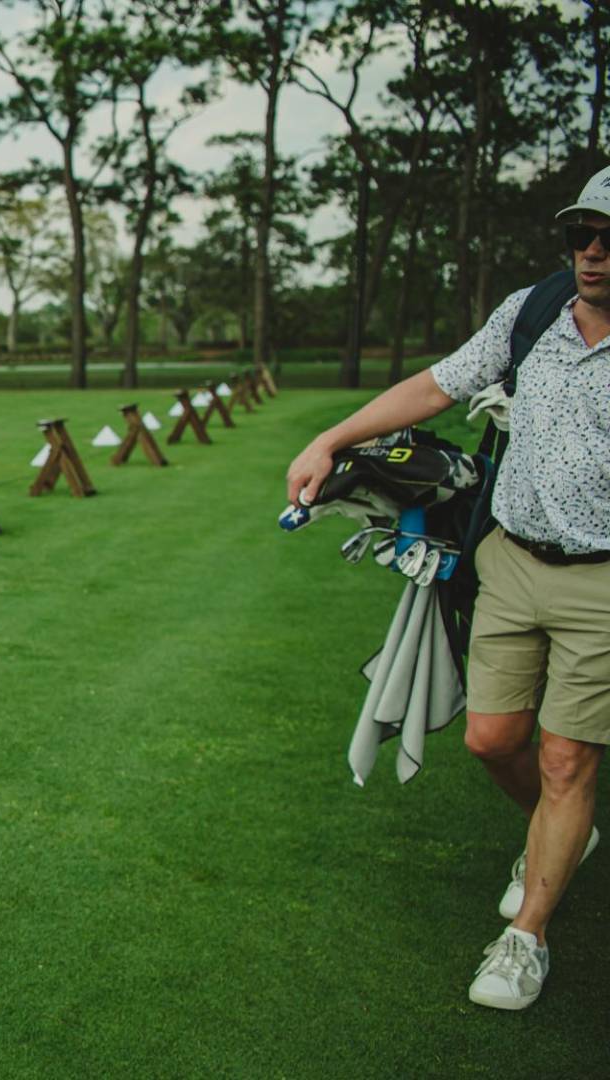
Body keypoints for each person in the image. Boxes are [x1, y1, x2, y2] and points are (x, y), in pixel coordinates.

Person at [285, 166, 610, 1011]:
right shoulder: (533, 311)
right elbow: (438, 385)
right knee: (492, 741)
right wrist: (330, 440)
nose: (593, 252)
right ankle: (562, 836)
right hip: (510, 562)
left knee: (567, 759)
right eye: (581, 233)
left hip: (603, 583)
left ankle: (526, 938)